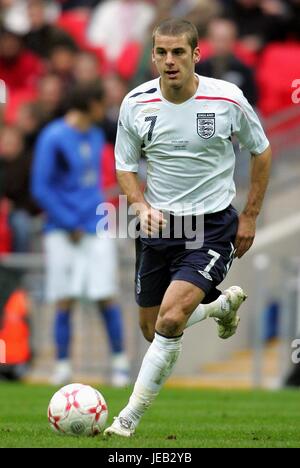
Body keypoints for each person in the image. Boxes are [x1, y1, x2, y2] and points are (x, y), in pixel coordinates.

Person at [104, 18, 271, 437]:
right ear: (153, 55)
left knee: (172, 319)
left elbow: (262, 152)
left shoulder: (227, 99)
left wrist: (249, 215)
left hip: (212, 226)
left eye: (178, 52)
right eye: (161, 52)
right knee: (150, 328)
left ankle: (127, 420)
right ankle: (218, 306)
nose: (169, 60)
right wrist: (139, 206)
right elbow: (124, 165)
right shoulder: (136, 104)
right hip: (156, 226)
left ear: (197, 54)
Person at [31, 82, 130, 387]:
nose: (104, 110)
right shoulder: (54, 137)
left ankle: (119, 364)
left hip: (95, 225)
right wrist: (68, 220)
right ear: (90, 104)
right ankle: (62, 365)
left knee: (106, 295)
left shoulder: (96, 134)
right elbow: (41, 187)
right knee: (64, 298)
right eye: (101, 103)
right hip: (63, 231)